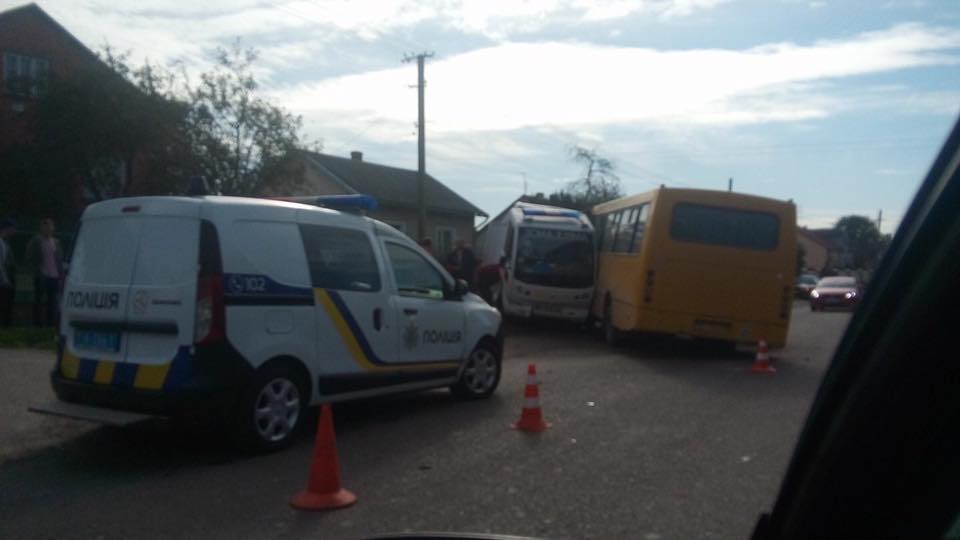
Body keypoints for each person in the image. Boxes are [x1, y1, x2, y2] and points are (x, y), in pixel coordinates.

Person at [26, 218, 64, 327]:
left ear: (53, 228)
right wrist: (37, 270)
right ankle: (37, 324)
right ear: (41, 228)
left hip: (54, 276)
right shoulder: (36, 241)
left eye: (49, 226)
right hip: (42, 275)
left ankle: (50, 323)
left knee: (52, 301)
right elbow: (29, 257)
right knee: (38, 300)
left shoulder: (56, 242)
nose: (47, 229)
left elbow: (59, 260)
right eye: (45, 226)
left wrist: (61, 274)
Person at [0, 218, 16, 327]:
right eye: (12, 228)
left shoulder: (5, 242)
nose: (14, 231)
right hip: (3, 279)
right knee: (5, 303)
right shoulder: (1, 242)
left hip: (6, 277)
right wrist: (4, 279)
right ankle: (5, 325)